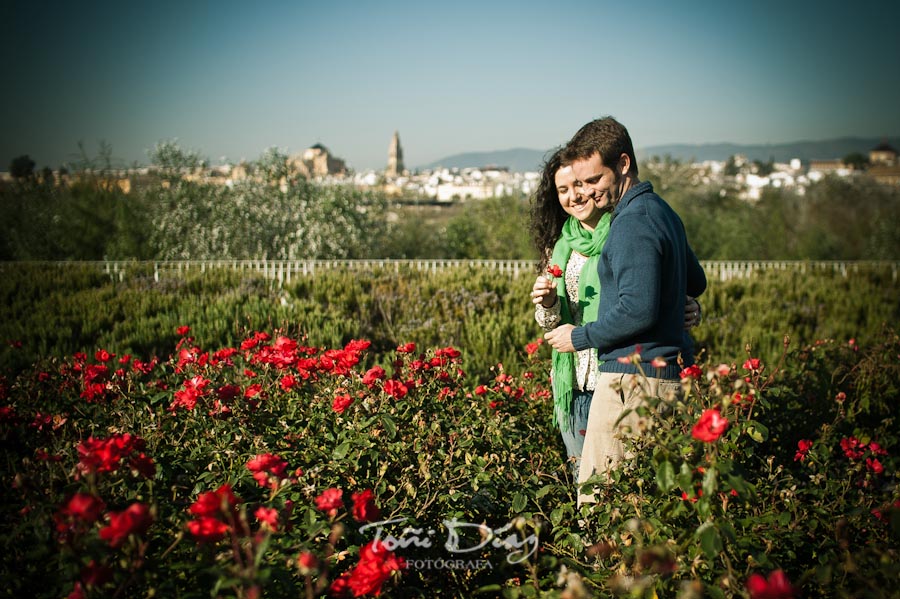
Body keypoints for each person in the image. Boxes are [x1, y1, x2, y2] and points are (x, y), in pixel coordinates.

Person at [543, 117, 707, 505]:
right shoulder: (661, 211)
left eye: (594, 180)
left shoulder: (631, 221)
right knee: (649, 507)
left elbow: (637, 310)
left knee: (601, 507)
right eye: (579, 183)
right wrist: (679, 300)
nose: (588, 193)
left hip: (630, 382)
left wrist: (577, 336)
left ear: (623, 164)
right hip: (666, 375)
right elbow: (695, 281)